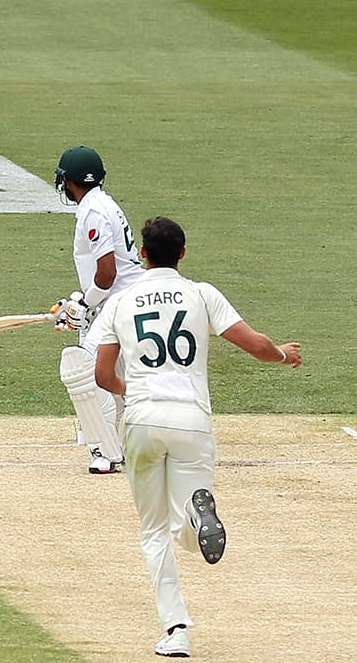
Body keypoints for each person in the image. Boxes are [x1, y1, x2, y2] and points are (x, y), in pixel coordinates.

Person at [93, 216, 302, 657]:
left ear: (142, 254)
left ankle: (176, 631)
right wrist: (284, 355)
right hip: (191, 421)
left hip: (143, 420)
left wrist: (137, 391)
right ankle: (195, 513)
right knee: (184, 522)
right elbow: (257, 346)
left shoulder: (122, 300)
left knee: (153, 532)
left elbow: (102, 376)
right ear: (183, 253)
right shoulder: (201, 294)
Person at [51, 145, 144, 474]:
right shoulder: (103, 204)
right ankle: (125, 446)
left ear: (69, 181)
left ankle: (106, 453)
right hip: (121, 302)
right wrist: (81, 302)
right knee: (114, 376)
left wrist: (84, 305)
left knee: (83, 370)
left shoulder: (94, 212)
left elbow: (108, 272)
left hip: (117, 304)